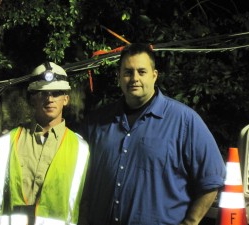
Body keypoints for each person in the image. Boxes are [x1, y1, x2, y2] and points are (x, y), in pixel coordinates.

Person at [78, 43, 226, 225]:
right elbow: (81, 178)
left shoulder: (184, 121)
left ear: (154, 76)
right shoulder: (98, 122)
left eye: (142, 72)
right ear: (119, 77)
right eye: (127, 72)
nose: (134, 78)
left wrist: (191, 221)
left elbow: (211, 179)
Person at [0, 62, 89, 225]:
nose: (49, 99)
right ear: (32, 98)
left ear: (66, 99)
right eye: (42, 93)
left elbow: (86, 205)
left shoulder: (81, 149)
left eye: (56, 93)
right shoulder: (8, 142)